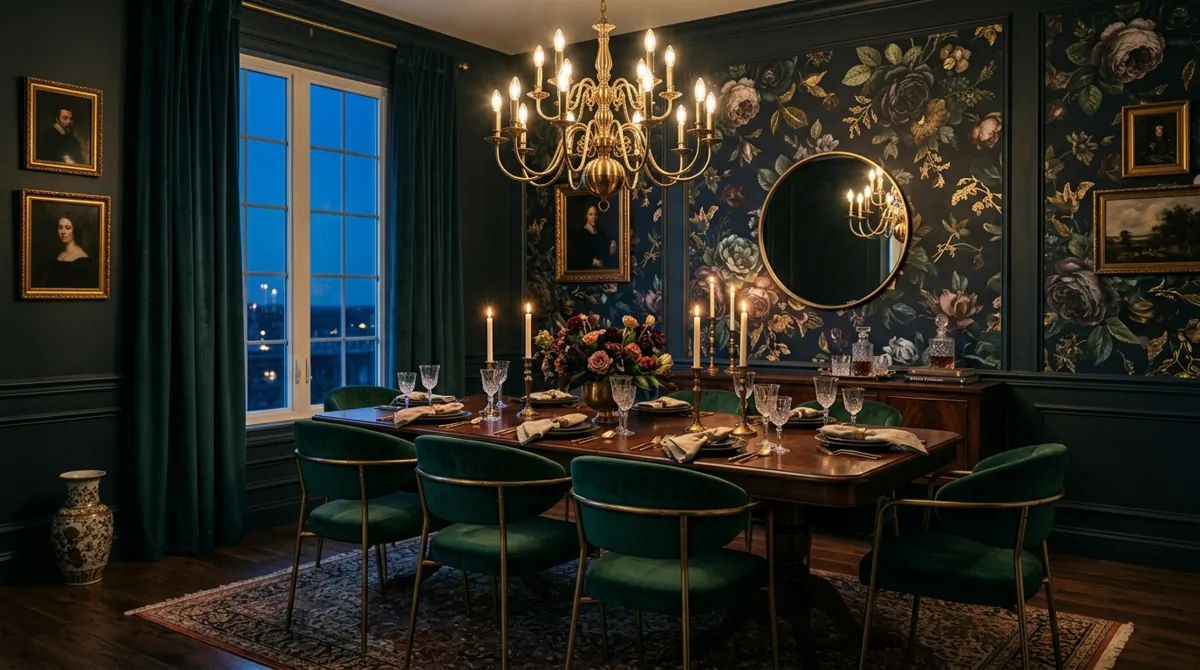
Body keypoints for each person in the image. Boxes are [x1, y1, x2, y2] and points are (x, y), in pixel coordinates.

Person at [37, 216, 97, 289]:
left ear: (75, 230)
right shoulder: (57, 254)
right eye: (60, 227)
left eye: (68, 228)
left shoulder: (83, 260)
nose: (63, 232)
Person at [567, 204, 618, 270]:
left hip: (601, 271)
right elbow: (577, 255)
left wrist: (612, 245)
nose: (593, 217)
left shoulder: (601, 234)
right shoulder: (580, 234)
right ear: (586, 216)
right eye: (591, 214)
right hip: (586, 272)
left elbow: (607, 251)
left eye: (595, 214)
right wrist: (593, 261)